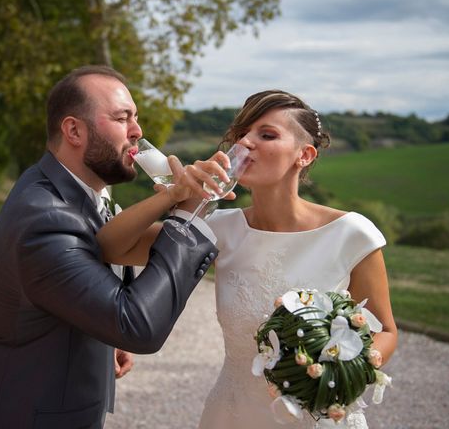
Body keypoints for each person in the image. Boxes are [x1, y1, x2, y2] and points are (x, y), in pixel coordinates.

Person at [96, 90, 398, 428]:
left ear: (305, 155)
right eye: (241, 135)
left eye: (266, 134)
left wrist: (336, 375)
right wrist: (176, 194)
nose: (245, 143)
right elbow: (112, 247)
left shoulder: (351, 234)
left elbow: (384, 330)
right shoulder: (220, 228)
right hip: (232, 414)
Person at [0, 65, 222, 429]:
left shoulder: (77, 190)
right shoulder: (44, 218)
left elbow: (90, 273)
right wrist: (187, 218)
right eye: (122, 119)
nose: (138, 132)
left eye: (135, 118)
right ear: (74, 130)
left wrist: (103, 338)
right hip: (19, 414)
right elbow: (136, 325)